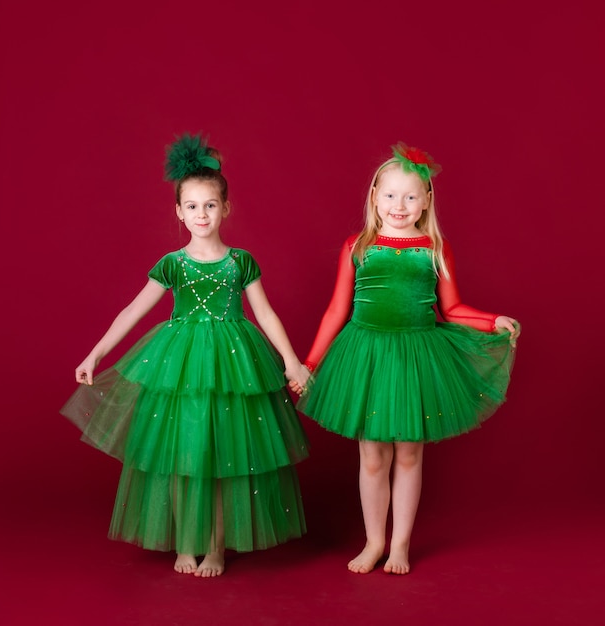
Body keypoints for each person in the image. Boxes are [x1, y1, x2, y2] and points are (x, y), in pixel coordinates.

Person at [61, 133, 310, 577]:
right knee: (182, 456)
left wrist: (291, 361)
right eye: (192, 206)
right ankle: (185, 544)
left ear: (225, 209)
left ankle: (215, 547)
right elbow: (132, 310)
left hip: (234, 366)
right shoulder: (173, 264)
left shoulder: (241, 262)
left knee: (220, 457)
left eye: (210, 205)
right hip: (179, 367)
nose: (201, 214)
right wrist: (95, 354)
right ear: (178, 211)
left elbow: (266, 314)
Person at [291, 142, 519, 576]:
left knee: (409, 453)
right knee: (373, 456)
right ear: (375, 195)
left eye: (411, 196)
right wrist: (312, 362)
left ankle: (400, 546)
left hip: (416, 356)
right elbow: (337, 310)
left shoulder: (436, 248)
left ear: (427, 201)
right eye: (391, 195)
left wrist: (492, 321)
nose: (400, 205)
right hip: (366, 357)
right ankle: (374, 541)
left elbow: (451, 310)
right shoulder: (359, 246)